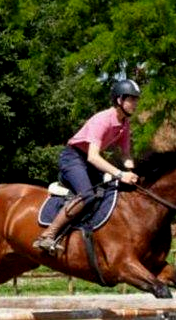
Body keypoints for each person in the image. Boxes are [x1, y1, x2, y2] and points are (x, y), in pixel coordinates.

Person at [32, 79, 142, 254]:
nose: (135, 104)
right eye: (132, 99)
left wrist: (132, 173)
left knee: (112, 190)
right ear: (119, 100)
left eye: (136, 100)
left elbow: (126, 154)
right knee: (87, 195)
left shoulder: (124, 124)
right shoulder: (103, 119)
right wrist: (120, 173)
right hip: (73, 158)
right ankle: (47, 236)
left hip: (88, 162)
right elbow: (93, 156)